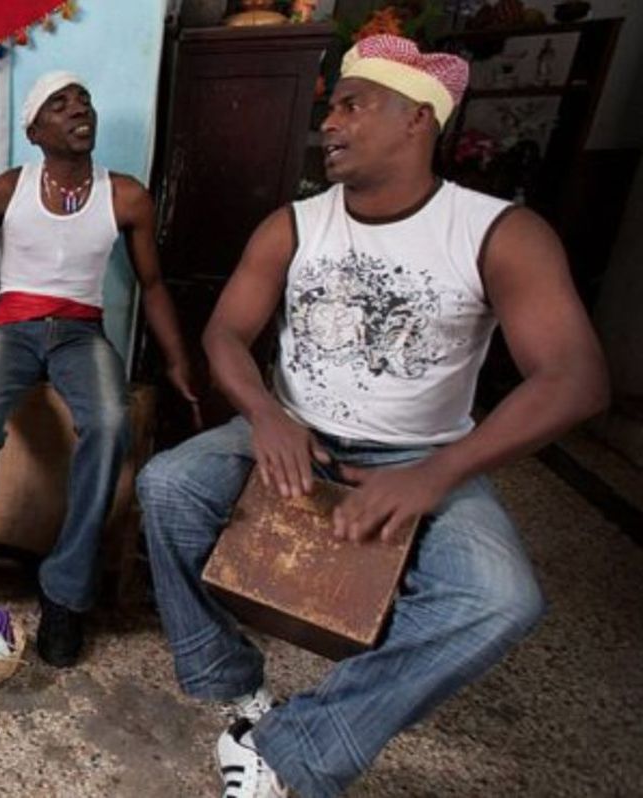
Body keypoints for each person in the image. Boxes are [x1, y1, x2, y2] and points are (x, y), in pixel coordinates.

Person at [135, 36, 609, 797]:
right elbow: (225, 334)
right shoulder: (295, 224)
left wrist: (437, 475)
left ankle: (291, 746)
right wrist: (265, 414)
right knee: (167, 485)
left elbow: (576, 379)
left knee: (498, 598)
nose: (330, 121)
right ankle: (237, 687)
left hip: (426, 453)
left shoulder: (498, 232)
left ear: (418, 118)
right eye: (332, 107)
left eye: (353, 105)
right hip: (295, 428)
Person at [0, 72, 198, 666]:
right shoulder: (9, 188)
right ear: (35, 131)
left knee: (111, 425)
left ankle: (65, 592)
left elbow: (152, 284)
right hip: (10, 330)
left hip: (80, 334)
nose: (77, 109)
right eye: (59, 105)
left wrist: (177, 361)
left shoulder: (125, 196)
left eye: (83, 100)